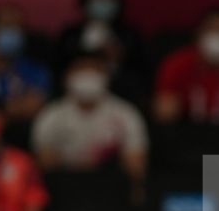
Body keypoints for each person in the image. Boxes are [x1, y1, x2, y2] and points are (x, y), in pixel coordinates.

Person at [31, 55, 149, 185]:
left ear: (106, 77)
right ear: (67, 78)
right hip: (65, 185)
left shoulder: (126, 113)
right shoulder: (51, 115)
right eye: (81, 70)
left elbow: (136, 163)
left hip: (110, 185)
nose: (88, 76)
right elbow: (45, 163)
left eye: (94, 71)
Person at [55, 0, 149, 105]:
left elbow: (142, 75)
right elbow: (59, 70)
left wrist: (116, 61)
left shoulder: (130, 36)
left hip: (121, 101)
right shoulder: (70, 36)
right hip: (73, 101)